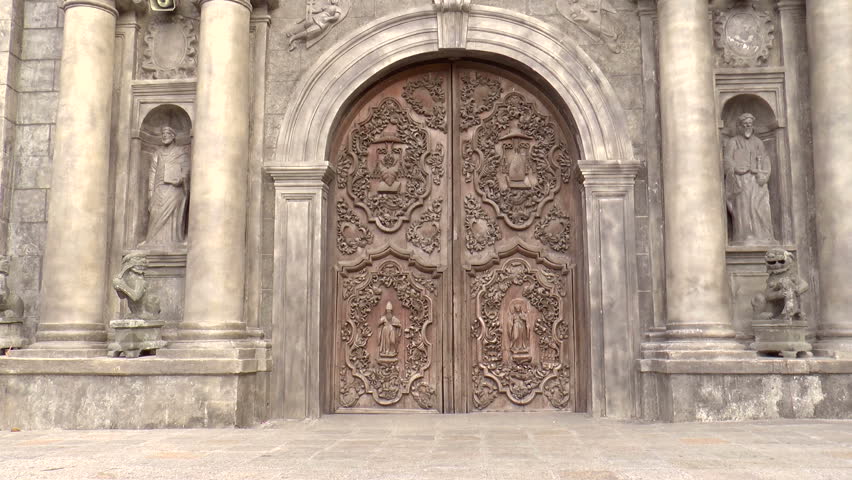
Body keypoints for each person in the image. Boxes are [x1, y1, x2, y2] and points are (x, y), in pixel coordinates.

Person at [723, 113, 774, 244]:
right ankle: (744, 236)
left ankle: (762, 235)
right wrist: (734, 169)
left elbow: (765, 159)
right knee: (743, 208)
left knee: (759, 207)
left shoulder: (758, 142)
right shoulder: (733, 142)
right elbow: (727, 159)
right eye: (745, 124)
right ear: (739, 126)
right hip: (741, 180)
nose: (747, 126)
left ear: (753, 126)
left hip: (757, 181)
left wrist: (765, 175)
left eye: (750, 124)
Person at [142, 126, 190, 247]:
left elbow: (186, 168)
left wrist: (180, 179)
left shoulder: (181, 151)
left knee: (172, 213)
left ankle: (174, 241)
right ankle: (152, 241)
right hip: (159, 188)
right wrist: (150, 191)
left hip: (174, 189)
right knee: (155, 212)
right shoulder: (157, 153)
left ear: (173, 136)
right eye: (163, 133)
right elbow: (153, 171)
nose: (164, 135)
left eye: (167, 133)